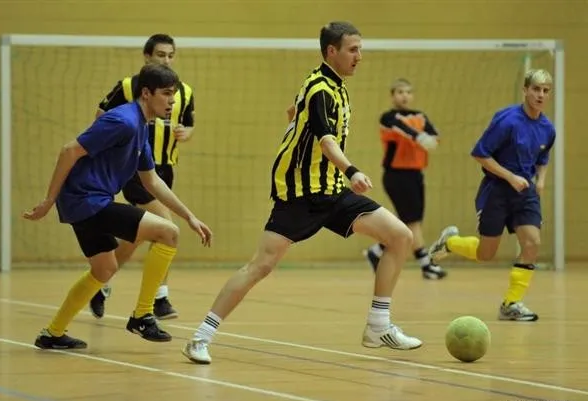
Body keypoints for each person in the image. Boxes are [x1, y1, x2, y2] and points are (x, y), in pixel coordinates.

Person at [181, 21, 422, 365]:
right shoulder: (320, 88)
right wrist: (352, 170)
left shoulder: (336, 87)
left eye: (360, 49)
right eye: (353, 50)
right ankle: (200, 339)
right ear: (331, 51)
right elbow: (327, 142)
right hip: (300, 195)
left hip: (332, 191)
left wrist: (296, 118)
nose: (359, 56)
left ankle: (378, 326)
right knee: (260, 266)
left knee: (400, 236)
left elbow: (298, 115)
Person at [23, 63, 212, 349]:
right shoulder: (123, 121)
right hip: (86, 199)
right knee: (167, 233)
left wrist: (190, 216)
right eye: (166, 94)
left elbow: (152, 181)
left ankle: (52, 333)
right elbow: (69, 150)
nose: (172, 101)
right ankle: (143, 315)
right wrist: (49, 200)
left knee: (104, 269)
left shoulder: (141, 127)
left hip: (85, 201)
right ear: (146, 93)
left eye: (174, 95)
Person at [428, 69, 555, 322]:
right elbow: (480, 154)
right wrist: (510, 177)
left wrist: (540, 180)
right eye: (536, 89)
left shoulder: (548, 129)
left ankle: (511, 303)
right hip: (497, 190)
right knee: (486, 254)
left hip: (525, 193)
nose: (540, 95)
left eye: (545, 90)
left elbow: (542, 158)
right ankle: (450, 242)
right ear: (525, 90)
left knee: (532, 243)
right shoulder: (507, 120)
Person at [88, 34, 195, 321]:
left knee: (137, 236)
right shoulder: (128, 86)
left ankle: (100, 282)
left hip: (165, 168)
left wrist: (186, 133)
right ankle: (159, 299)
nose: (166, 60)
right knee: (167, 227)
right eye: (160, 55)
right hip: (136, 169)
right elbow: (101, 115)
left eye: (170, 55)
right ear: (147, 56)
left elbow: (189, 124)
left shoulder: (184, 91)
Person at [364, 78, 446, 280]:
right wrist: (420, 138)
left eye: (408, 92)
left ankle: (376, 251)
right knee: (412, 222)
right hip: (397, 175)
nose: (405, 96)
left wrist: (431, 138)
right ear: (392, 96)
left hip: (416, 173)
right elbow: (403, 130)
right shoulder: (388, 118)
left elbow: (434, 134)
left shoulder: (420, 116)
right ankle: (426, 265)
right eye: (400, 92)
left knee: (408, 222)